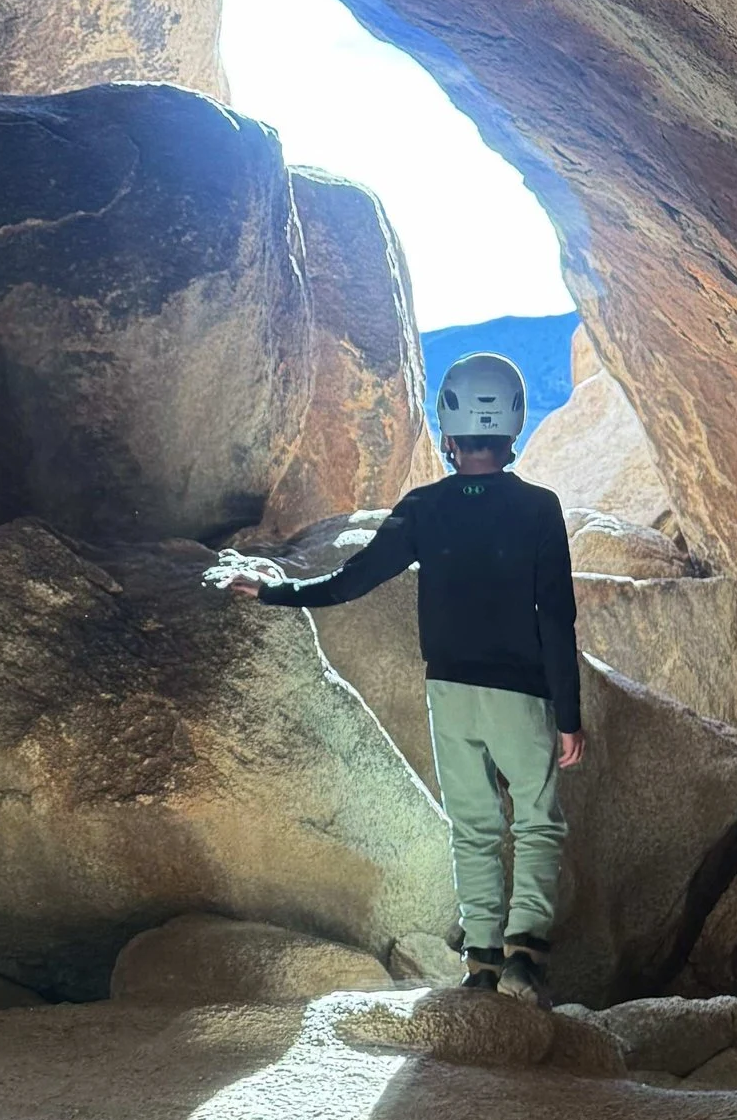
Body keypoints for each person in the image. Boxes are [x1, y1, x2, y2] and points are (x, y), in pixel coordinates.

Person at [217, 349, 585, 1000]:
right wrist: (569, 715)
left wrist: (274, 592)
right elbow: (557, 616)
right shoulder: (540, 509)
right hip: (522, 695)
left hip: (450, 691)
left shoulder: (422, 507)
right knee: (535, 821)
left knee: (472, 829)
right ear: (514, 426)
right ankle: (527, 953)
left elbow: (351, 580)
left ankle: (480, 963)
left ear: (448, 428)